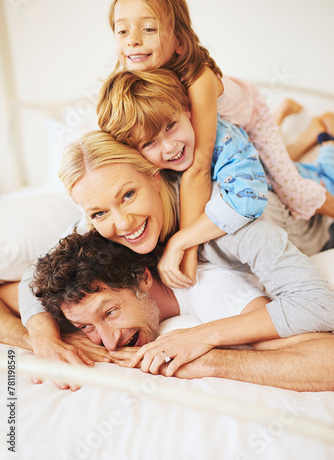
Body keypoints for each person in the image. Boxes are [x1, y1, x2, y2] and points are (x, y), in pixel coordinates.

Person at [19, 131, 334, 361]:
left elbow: (321, 306)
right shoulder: (103, 230)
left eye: (128, 195)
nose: (124, 224)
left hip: (317, 211)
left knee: (320, 167)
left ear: (156, 178)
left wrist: (204, 335)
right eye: (99, 212)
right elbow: (32, 277)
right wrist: (42, 337)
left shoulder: (231, 219)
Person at [106, 0, 334, 283]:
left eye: (149, 28)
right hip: (229, 133)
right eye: (122, 31)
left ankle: (304, 131)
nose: (133, 39)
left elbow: (199, 167)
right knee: (255, 163)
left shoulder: (198, 80)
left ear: (179, 42)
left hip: (249, 118)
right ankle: (307, 134)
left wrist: (185, 248)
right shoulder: (138, 86)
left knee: (291, 190)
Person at [96, 69, 334, 285]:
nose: (169, 148)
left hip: (305, 188)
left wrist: (180, 241)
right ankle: (304, 132)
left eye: (171, 126)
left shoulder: (222, 137)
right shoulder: (143, 165)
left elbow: (248, 200)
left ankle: (327, 139)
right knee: (266, 160)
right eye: (149, 142)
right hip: (255, 166)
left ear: (188, 109)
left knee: (321, 174)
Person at [30, 229, 334, 392]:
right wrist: (43, 336)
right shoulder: (81, 303)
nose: (108, 342)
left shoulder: (215, 291)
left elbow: (327, 360)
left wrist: (213, 362)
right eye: (86, 327)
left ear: (143, 279)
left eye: (109, 313)